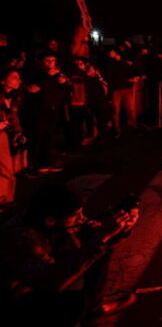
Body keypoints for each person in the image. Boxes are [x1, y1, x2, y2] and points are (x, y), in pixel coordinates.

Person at [0, 184, 139, 326]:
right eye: (75, 215)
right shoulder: (22, 240)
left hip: (38, 276)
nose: (81, 218)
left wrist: (119, 230)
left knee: (98, 250)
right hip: (17, 295)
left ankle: (93, 308)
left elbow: (88, 241)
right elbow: (52, 282)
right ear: (50, 220)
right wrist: (101, 238)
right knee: (76, 302)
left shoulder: (44, 223)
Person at [0, 70, 26, 207]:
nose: (19, 80)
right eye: (14, 77)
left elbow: (12, 116)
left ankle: (6, 199)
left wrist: (18, 132)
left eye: (19, 78)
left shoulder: (14, 97)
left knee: (6, 169)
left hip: (4, 134)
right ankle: (6, 201)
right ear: (3, 80)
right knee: (6, 170)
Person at [103, 49, 137, 136]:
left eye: (112, 52)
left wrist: (131, 80)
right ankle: (117, 129)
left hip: (125, 88)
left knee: (129, 108)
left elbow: (130, 71)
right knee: (116, 110)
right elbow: (109, 76)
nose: (110, 54)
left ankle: (132, 126)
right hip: (116, 89)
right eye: (110, 53)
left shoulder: (123, 62)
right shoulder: (110, 64)